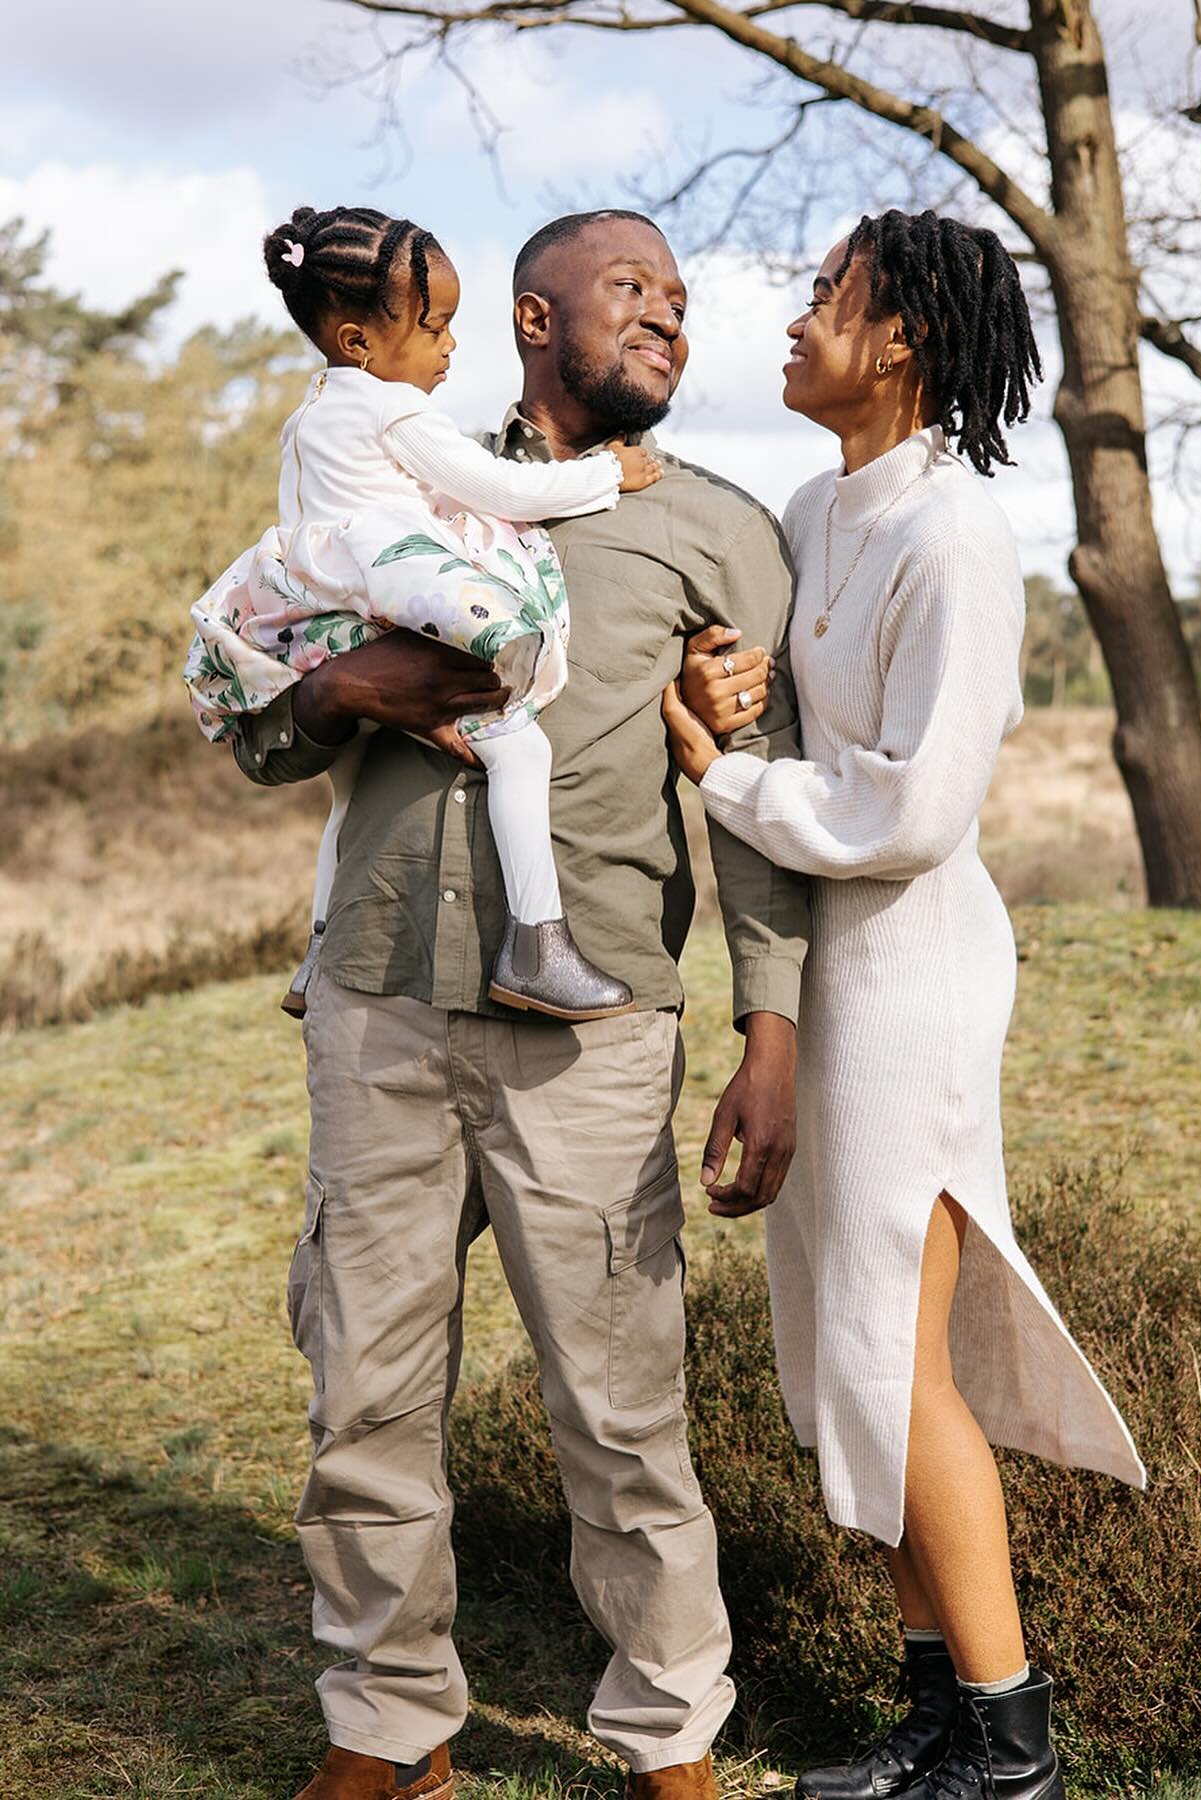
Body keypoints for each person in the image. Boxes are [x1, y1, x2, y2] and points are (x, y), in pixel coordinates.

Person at [230, 208, 809, 1800]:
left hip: (592, 1032)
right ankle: (387, 1729)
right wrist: (334, 692)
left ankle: (669, 1738)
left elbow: (761, 792)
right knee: (364, 1393)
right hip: (377, 1008)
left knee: (620, 1410)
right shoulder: (390, 472)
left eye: (680, 297)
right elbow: (259, 720)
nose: (669, 316)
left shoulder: (717, 529)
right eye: (632, 288)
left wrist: (768, 1031)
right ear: (535, 318)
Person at [663, 210, 1146, 1800]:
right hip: (831, 971)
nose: (797, 320)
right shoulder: (816, 509)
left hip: (913, 974)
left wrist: (731, 778)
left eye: (830, 297)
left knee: (892, 1360)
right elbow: (789, 722)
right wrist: (727, 704)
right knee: (842, 1367)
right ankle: (936, 1719)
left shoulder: (954, 539)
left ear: (901, 342)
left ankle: (1011, 1751)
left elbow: (916, 811)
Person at [186, 203, 665, 1020]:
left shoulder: (309, 417)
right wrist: (606, 476)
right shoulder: (391, 409)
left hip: (321, 623)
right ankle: (537, 945)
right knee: (519, 749)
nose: (450, 346)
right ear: (359, 343)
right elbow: (500, 487)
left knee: (345, 798)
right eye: (433, 326)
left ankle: (317, 954)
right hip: (394, 599)